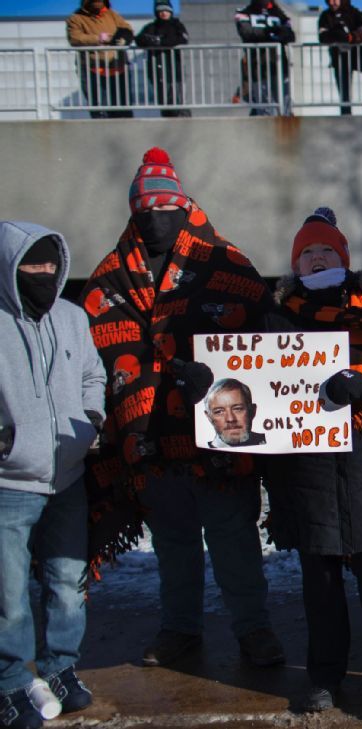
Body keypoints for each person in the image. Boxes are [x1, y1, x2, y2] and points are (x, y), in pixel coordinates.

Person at [79, 147, 282, 670]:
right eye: (144, 209)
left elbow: (270, 339)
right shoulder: (110, 277)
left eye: (165, 207)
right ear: (132, 211)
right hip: (146, 440)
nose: (154, 217)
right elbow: (88, 359)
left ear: (184, 205)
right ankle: (180, 630)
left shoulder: (225, 263)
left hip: (219, 438)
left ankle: (254, 630)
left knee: (234, 540)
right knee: (173, 545)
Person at [262, 208, 362, 713]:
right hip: (307, 473)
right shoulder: (276, 317)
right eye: (307, 252)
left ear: (343, 256)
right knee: (321, 589)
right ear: (296, 263)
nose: (317, 258)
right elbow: (255, 390)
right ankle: (324, 676)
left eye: (326, 249)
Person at [0, 222, 105, 729]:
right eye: (31, 265)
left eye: (49, 265)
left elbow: (92, 374)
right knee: (9, 590)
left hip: (67, 474)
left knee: (67, 581)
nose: (43, 274)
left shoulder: (72, 316)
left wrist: (93, 420)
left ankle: (62, 666)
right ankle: (12, 681)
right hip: (10, 481)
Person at [66, 0, 134, 119]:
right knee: (99, 108)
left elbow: (127, 29)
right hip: (92, 69)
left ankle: (124, 134)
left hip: (118, 67)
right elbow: (75, 38)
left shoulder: (112, 14)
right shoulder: (76, 18)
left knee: (122, 108)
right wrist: (98, 38)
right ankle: (101, 134)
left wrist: (124, 38)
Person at [235, 0, 295, 116]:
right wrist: (269, 32)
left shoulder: (280, 14)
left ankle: (285, 132)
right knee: (265, 109)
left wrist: (279, 34)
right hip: (257, 68)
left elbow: (290, 35)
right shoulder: (244, 12)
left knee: (285, 105)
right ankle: (266, 132)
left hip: (279, 66)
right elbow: (247, 33)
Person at [318, 0, 362, 115]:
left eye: (335, 0)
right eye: (330, 0)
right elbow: (323, 37)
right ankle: (346, 114)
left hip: (357, 56)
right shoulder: (326, 16)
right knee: (344, 93)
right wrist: (338, 35)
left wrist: (351, 37)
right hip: (339, 60)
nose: (332, 3)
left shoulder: (355, 13)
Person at [135, 1, 189, 118]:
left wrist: (160, 42)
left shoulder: (177, 25)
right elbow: (139, 39)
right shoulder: (151, 27)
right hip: (157, 71)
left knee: (177, 101)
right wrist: (152, 40)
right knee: (164, 102)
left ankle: (183, 123)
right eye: (160, 11)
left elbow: (182, 39)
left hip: (174, 69)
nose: (163, 13)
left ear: (170, 11)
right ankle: (168, 125)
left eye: (166, 10)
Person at [202, 380, 266, 449]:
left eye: (238, 409)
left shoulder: (270, 440)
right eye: (219, 411)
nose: (230, 419)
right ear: (209, 417)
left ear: (253, 411)